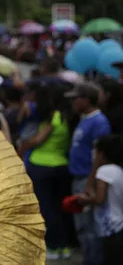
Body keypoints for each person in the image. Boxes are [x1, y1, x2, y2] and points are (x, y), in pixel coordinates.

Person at [19, 84, 74, 260]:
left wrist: (23, 146)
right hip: (61, 166)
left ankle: (53, 245)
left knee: (46, 208)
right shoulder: (68, 117)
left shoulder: (54, 117)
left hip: (41, 166)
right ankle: (65, 246)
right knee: (59, 207)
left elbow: (38, 140)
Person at [66, 82, 112, 265]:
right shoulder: (84, 119)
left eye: (75, 99)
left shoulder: (99, 122)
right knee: (82, 225)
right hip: (79, 177)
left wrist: (90, 183)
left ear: (86, 99)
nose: (73, 103)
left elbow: (99, 155)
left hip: (86, 178)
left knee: (89, 226)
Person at [77, 135, 123, 265]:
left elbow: (99, 199)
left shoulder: (104, 171)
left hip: (111, 229)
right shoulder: (118, 170)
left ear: (101, 153)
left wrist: (84, 201)